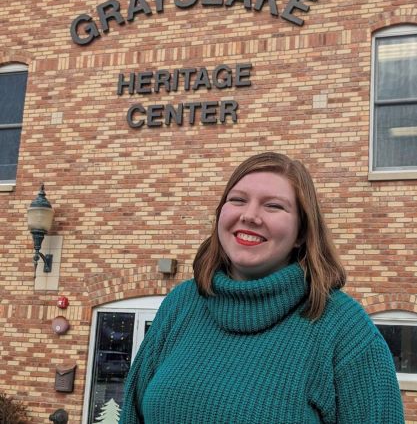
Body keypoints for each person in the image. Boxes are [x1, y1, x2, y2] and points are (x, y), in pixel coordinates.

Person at [119, 152, 405, 424]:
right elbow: (132, 414)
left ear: (301, 233)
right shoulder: (182, 303)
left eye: (273, 206)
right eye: (238, 200)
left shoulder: (344, 330)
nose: (250, 216)